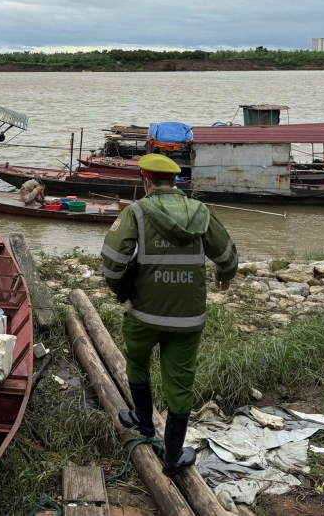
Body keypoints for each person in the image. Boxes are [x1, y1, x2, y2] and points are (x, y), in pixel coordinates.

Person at [101, 153, 238, 476]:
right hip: (187, 319)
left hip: (144, 314)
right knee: (180, 383)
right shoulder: (200, 211)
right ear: (175, 181)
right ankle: (173, 457)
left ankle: (144, 422)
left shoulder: (136, 212)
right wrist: (225, 274)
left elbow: (112, 260)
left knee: (136, 361)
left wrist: (121, 288)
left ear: (146, 182)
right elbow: (227, 255)